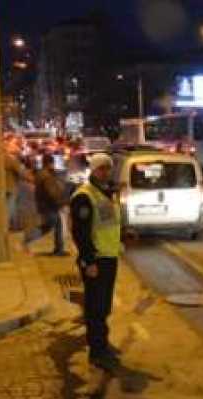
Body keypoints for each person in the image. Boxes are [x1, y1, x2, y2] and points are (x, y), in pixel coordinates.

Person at [70, 153, 123, 372]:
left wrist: (125, 235)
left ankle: (102, 343)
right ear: (92, 170)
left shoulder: (105, 193)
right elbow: (80, 233)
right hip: (96, 260)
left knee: (104, 306)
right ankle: (97, 352)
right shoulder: (84, 196)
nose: (105, 172)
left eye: (108, 168)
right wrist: (88, 260)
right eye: (101, 168)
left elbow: (110, 223)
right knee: (95, 306)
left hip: (109, 256)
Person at [24, 153, 67, 256]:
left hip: (45, 205)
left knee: (58, 225)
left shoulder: (42, 173)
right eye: (53, 163)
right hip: (49, 206)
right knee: (47, 227)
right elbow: (52, 193)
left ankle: (59, 249)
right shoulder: (46, 176)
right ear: (49, 163)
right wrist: (61, 202)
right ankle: (27, 239)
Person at [3, 139, 31, 230]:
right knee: (10, 208)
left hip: (0, 188)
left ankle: (12, 225)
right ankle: (8, 226)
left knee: (8, 208)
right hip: (10, 187)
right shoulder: (10, 159)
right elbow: (22, 173)